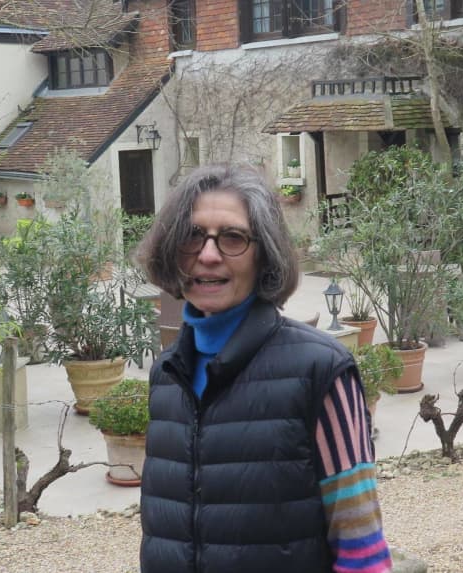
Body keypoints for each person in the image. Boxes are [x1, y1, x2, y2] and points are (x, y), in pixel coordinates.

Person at [136, 164, 392, 573]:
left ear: (264, 255)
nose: (207, 254)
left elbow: (362, 548)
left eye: (233, 237)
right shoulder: (167, 374)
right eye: (192, 235)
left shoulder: (321, 370)